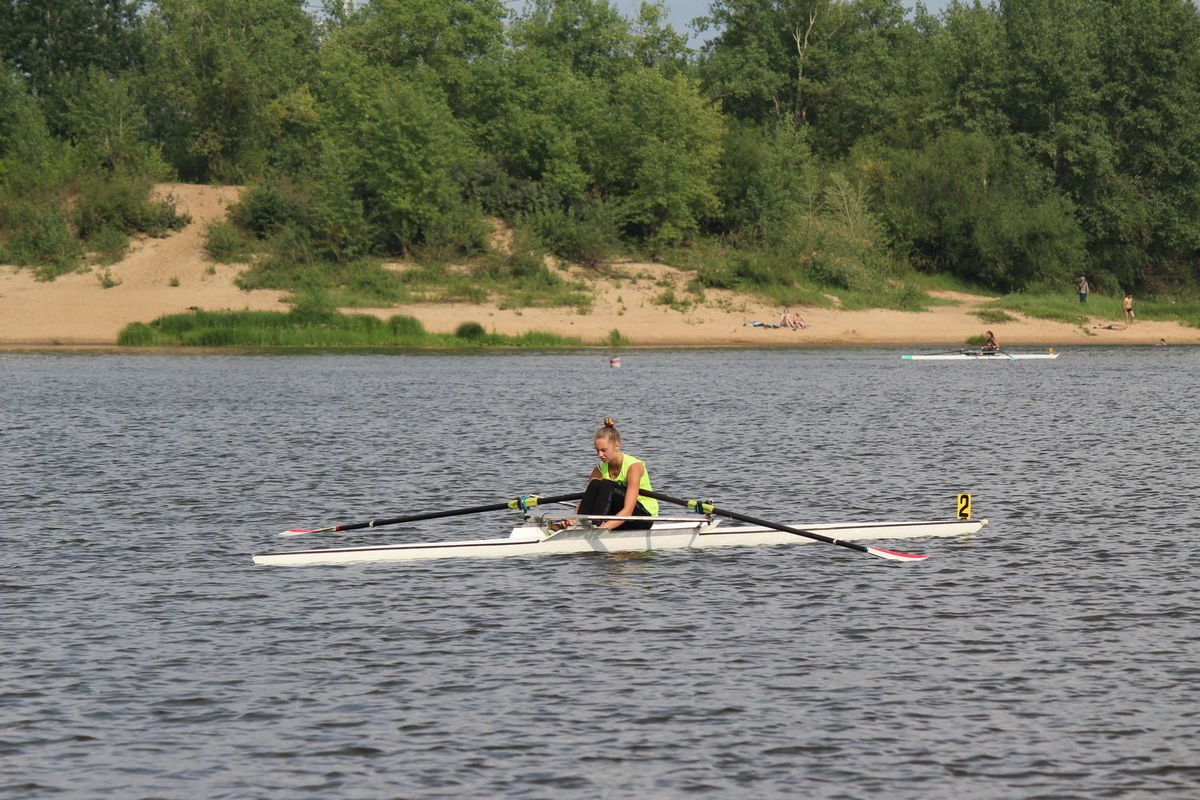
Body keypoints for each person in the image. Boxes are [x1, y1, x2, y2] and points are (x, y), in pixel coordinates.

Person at [556, 418, 658, 531]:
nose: (600, 455)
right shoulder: (599, 469)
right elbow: (587, 499)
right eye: (597, 450)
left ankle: (594, 524)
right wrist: (573, 518)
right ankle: (583, 523)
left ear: (617, 446)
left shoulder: (633, 467)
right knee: (595, 484)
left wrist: (601, 530)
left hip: (641, 518)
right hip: (617, 515)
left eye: (604, 450)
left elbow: (628, 510)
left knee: (607, 485)